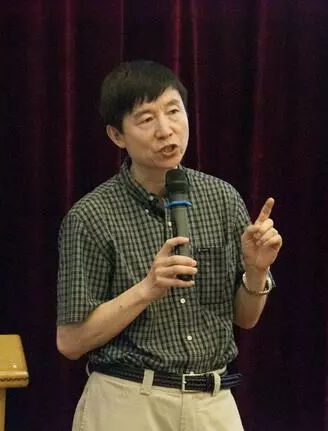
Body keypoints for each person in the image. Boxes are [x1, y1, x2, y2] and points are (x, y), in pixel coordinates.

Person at [56, 60, 282, 431]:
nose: (165, 130)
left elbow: (246, 318)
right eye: (146, 119)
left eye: (174, 112)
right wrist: (147, 289)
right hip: (129, 401)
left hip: (212, 402)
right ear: (117, 135)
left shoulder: (222, 198)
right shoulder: (92, 216)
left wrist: (256, 271)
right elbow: (70, 341)